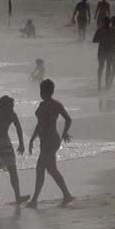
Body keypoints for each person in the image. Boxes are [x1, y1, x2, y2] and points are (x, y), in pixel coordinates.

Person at [27, 79, 74, 207]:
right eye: (41, 91)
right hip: (45, 141)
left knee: (40, 168)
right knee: (52, 169)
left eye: (43, 91)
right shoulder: (42, 105)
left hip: (52, 140)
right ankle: (67, 195)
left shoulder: (56, 105)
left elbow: (68, 119)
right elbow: (39, 124)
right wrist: (32, 139)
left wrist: (64, 133)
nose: (41, 93)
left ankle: (34, 200)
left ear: (50, 91)